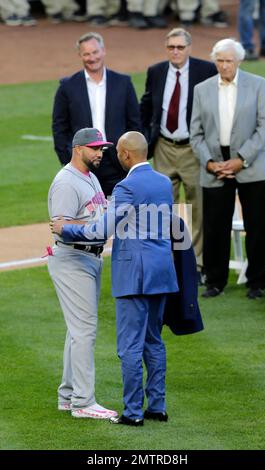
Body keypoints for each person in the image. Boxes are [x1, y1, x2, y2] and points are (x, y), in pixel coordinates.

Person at [50, 131, 179, 426]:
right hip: (162, 272)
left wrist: (64, 229)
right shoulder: (163, 182)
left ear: (125, 154)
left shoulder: (126, 186)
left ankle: (133, 413)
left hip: (134, 274)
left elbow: (100, 231)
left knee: (130, 347)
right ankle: (157, 407)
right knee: (154, 341)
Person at [190, 38, 265, 299]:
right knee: (215, 226)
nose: (224, 66)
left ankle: (257, 282)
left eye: (229, 61)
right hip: (215, 164)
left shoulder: (258, 85)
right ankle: (215, 281)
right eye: (220, 61)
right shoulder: (202, 89)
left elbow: (264, 128)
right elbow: (196, 133)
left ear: (239, 61)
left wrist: (241, 159)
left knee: (257, 225)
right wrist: (211, 163)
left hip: (251, 164)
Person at [48, 127, 118, 419]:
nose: (100, 153)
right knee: (84, 331)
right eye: (95, 149)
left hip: (88, 260)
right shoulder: (66, 182)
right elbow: (61, 228)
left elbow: (95, 214)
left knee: (76, 331)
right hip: (72, 260)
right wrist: (97, 230)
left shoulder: (89, 177)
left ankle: (68, 395)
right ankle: (83, 402)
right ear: (78, 149)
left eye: (102, 148)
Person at [140, 27, 217, 278]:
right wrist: (144, 139)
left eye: (180, 47)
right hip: (163, 146)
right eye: (171, 47)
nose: (175, 51)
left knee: (198, 207)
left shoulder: (206, 70)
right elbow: (147, 105)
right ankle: (168, 262)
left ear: (189, 48)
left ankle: (196, 265)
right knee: (162, 207)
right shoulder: (156, 71)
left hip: (192, 148)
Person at [52, 31, 141, 197]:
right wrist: (68, 159)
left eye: (95, 52)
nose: (91, 58)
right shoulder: (67, 86)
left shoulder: (123, 82)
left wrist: (131, 156)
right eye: (86, 54)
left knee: (120, 212)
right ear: (80, 55)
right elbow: (59, 127)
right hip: (84, 161)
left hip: (117, 160)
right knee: (86, 213)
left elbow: (134, 123)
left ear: (103, 51)